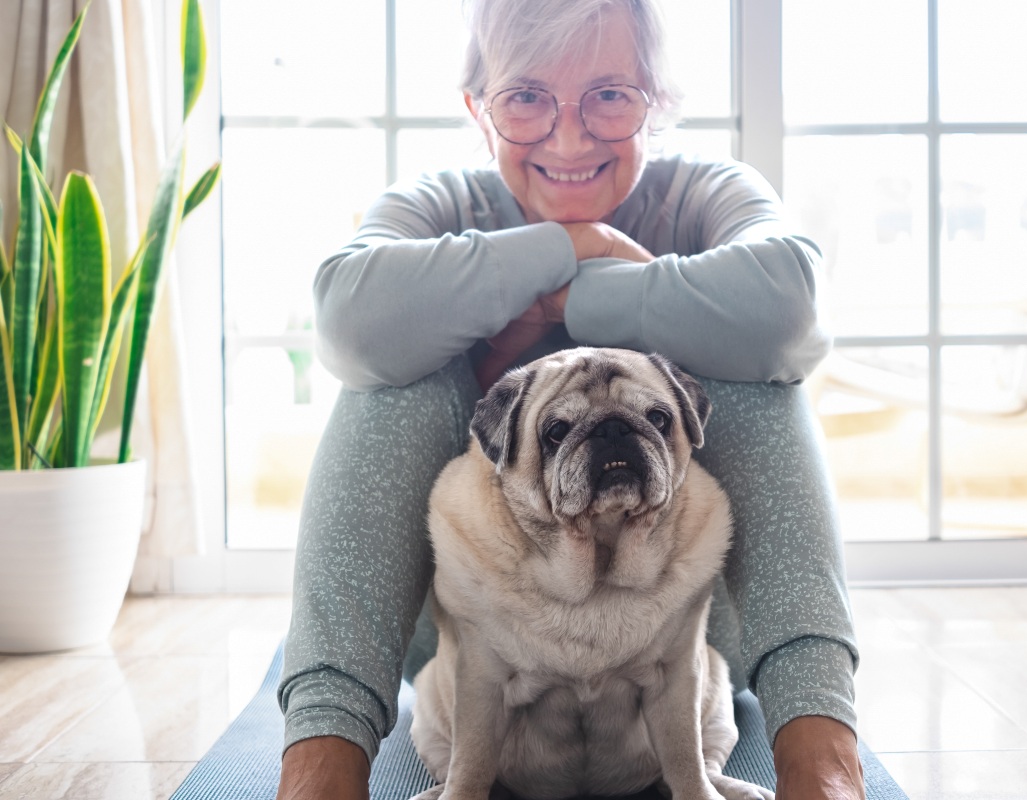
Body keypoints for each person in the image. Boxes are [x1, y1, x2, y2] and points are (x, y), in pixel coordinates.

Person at [275, 0, 864, 798]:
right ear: (478, 113)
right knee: (391, 382)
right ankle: (318, 773)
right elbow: (348, 323)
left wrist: (571, 301)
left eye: (611, 95)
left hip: (686, 623)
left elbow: (792, 307)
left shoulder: (706, 192)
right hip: (469, 633)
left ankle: (824, 770)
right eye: (526, 99)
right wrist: (572, 245)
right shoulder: (440, 203)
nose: (569, 136)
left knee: (758, 374)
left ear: (657, 105)